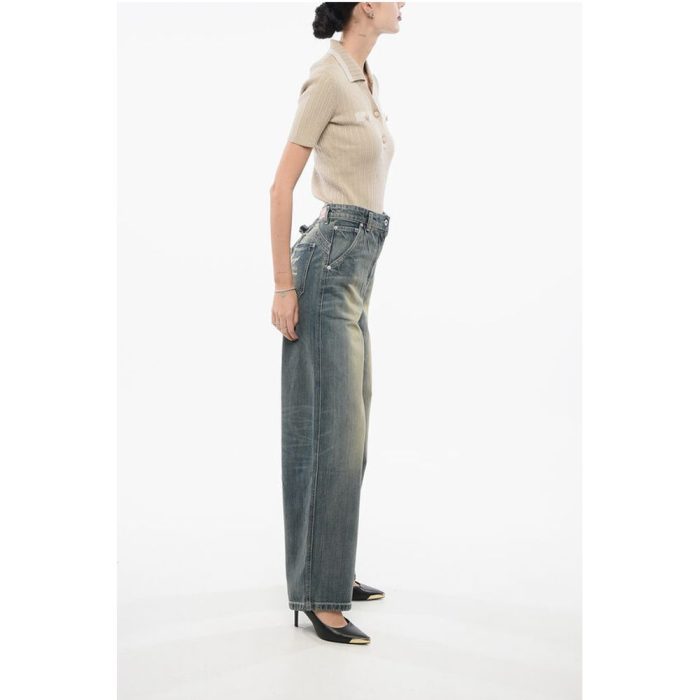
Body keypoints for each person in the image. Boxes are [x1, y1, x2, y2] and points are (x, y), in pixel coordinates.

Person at [269, 1, 404, 645]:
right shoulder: (327, 77)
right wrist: (283, 286)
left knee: (351, 430)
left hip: (356, 267)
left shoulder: (364, 78)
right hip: (327, 266)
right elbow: (281, 187)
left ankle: (331, 566)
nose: (404, 4)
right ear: (365, 6)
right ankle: (320, 596)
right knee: (329, 431)